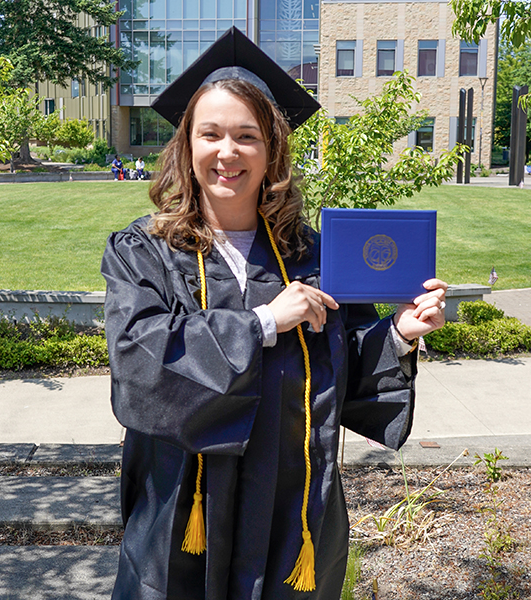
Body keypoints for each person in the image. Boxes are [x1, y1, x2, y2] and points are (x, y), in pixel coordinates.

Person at [101, 27, 447, 600]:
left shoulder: (311, 256)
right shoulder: (145, 251)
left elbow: (343, 370)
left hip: (289, 501)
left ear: (272, 151)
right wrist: (263, 322)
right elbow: (138, 359)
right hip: (184, 507)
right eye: (210, 134)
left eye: (247, 136)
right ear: (188, 144)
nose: (227, 152)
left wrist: (401, 334)